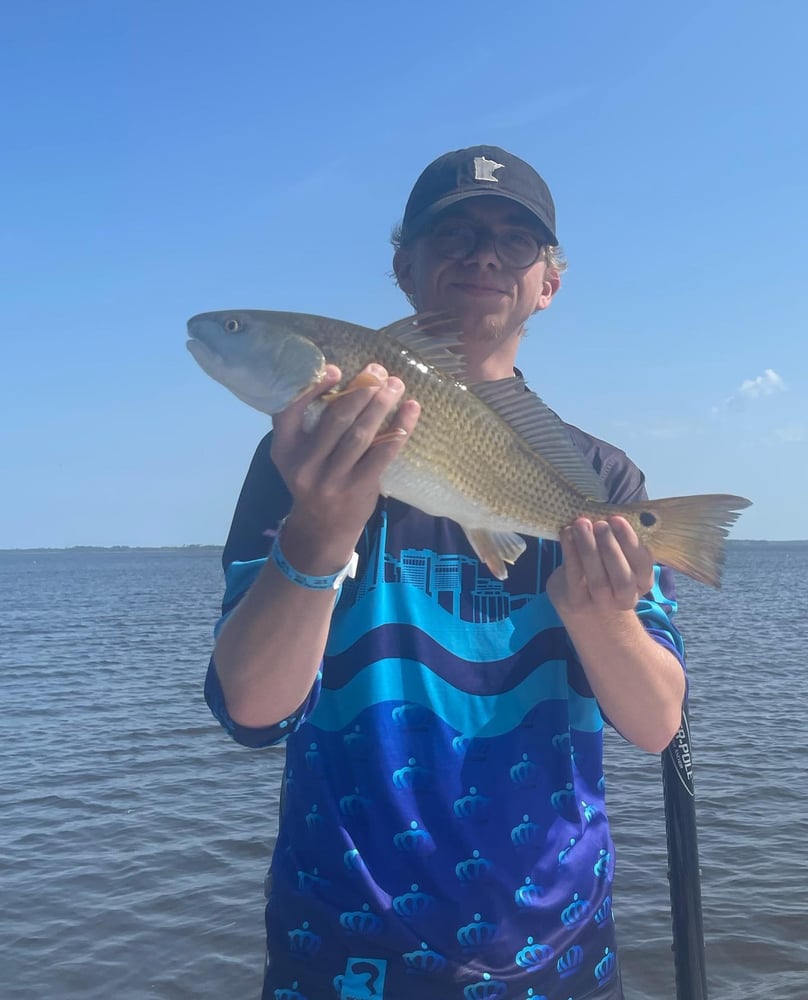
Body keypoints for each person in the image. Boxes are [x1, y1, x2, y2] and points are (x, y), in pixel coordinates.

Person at [204, 145, 687, 1000]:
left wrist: (605, 617)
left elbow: (654, 726)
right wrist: (317, 533)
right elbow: (252, 708)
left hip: (562, 954)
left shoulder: (602, 482)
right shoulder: (301, 457)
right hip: (340, 952)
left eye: (515, 240)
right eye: (453, 234)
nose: (484, 254)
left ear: (550, 283)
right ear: (404, 266)